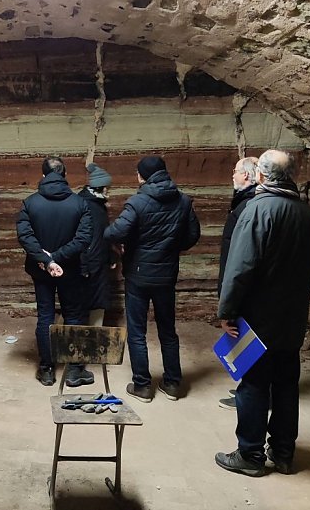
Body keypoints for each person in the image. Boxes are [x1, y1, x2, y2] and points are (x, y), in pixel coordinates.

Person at [214, 149, 310, 477]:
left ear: (260, 175)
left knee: (254, 385)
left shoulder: (257, 210)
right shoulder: (308, 214)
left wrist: (228, 309)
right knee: (287, 384)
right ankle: (284, 452)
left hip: (258, 315)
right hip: (292, 314)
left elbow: (241, 267)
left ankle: (250, 455)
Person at [104, 155, 200, 402]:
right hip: (166, 275)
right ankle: (172, 384)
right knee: (168, 330)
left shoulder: (137, 202)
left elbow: (116, 231)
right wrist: (169, 247)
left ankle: (143, 386)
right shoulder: (183, 201)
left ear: (141, 176)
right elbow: (192, 236)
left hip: (138, 275)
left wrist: (126, 244)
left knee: (137, 331)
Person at [17, 156, 93, 387]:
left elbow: (25, 236)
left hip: (41, 270)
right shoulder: (80, 204)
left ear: (42, 175)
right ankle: (73, 370)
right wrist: (58, 258)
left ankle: (47, 369)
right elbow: (83, 238)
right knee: (74, 316)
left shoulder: (30, 203)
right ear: (65, 174)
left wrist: (47, 260)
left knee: (46, 316)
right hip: (69, 269)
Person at [218, 156, 259, 410]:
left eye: (235, 171)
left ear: (246, 175)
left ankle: (251, 394)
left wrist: (227, 300)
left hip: (245, 286)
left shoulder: (248, 206)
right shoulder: (247, 202)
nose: (232, 175)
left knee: (247, 338)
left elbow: (240, 256)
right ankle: (248, 388)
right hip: (246, 284)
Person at [77, 162, 116, 326]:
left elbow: (103, 234)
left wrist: (111, 256)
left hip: (99, 260)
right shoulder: (87, 206)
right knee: (85, 301)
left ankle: (95, 334)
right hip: (90, 261)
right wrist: (83, 264)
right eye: (107, 187)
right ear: (100, 188)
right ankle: (85, 336)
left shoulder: (97, 205)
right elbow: (81, 237)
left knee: (98, 301)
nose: (109, 190)